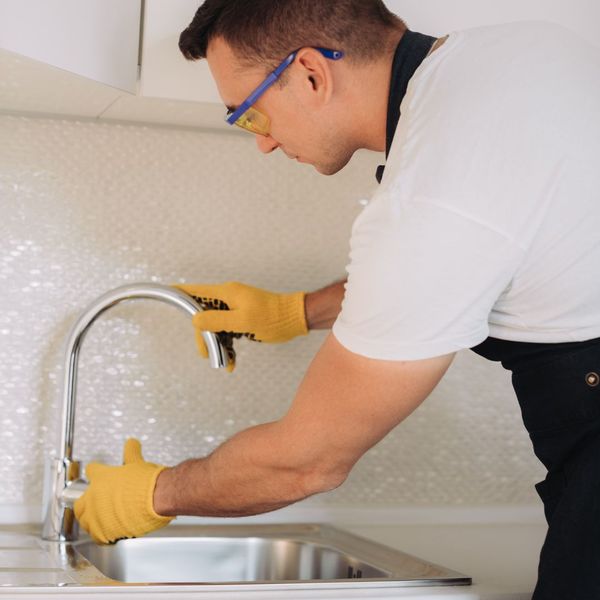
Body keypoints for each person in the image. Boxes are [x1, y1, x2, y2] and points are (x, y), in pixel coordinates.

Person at [74, 2, 600, 598]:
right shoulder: (523, 50)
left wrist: (154, 493)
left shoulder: (430, 197)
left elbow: (307, 461)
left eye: (248, 115)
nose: (264, 144)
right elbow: (471, 260)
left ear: (310, 75)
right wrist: (294, 312)